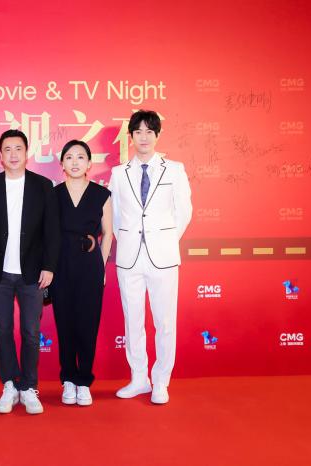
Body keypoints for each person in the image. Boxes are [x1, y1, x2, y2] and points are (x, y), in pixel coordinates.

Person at [108, 110, 192, 404]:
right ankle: (139, 378)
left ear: (157, 135)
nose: (143, 137)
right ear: (130, 137)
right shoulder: (119, 173)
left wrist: (163, 240)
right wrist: (131, 240)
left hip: (163, 257)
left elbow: (184, 212)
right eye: (138, 132)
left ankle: (161, 381)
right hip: (129, 257)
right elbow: (116, 216)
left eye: (149, 131)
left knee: (164, 321)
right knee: (133, 321)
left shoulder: (175, 170)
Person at [0, 129, 60, 415]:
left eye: (18, 149)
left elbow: (52, 231)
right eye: (7, 149)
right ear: (0, 156)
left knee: (31, 332)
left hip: (32, 273)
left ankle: (29, 387)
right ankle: (10, 384)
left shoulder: (42, 185)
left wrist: (49, 266)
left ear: (27, 153)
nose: (13, 154)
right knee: (3, 331)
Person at [50, 140, 112, 407]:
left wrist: (101, 267)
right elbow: (46, 234)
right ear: (62, 164)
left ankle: (84, 380)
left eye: (80, 157)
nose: (74, 162)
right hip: (60, 265)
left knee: (88, 324)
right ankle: (68, 379)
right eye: (69, 157)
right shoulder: (53, 194)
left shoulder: (101, 194)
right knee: (65, 324)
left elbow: (108, 233)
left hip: (89, 265)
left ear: (89, 163)